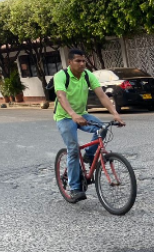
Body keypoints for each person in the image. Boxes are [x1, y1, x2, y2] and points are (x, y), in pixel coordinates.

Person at [55, 49, 125, 202]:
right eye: (78, 61)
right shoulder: (61, 76)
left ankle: (89, 154)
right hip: (65, 117)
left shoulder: (87, 75)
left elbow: (101, 95)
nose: (82, 64)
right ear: (70, 62)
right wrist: (73, 115)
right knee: (73, 149)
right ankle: (74, 188)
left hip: (82, 114)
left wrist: (115, 114)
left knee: (102, 128)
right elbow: (61, 96)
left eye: (83, 61)